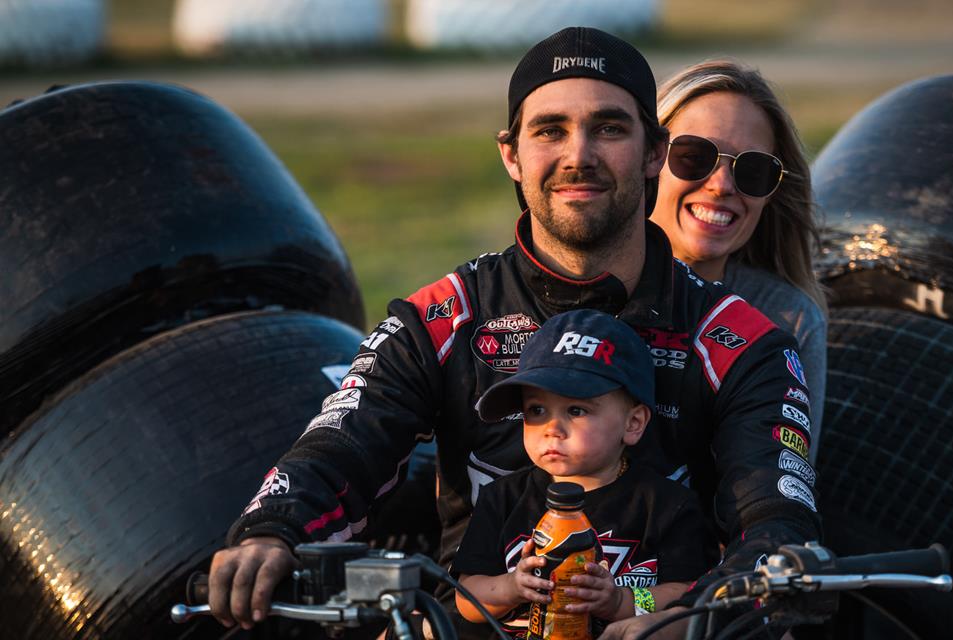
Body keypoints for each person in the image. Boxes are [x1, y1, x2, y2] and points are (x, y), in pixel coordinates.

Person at [207, 27, 821, 640]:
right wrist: (273, 528)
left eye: (609, 128)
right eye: (549, 130)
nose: (578, 155)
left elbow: (775, 523)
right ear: (511, 154)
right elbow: (341, 444)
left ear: (654, 152)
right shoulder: (440, 316)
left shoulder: (745, 340)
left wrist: (681, 621)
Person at [452, 309, 719, 638]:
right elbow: (466, 599)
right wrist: (512, 586)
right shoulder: (502, 497)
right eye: (536, 410)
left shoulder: (666, 505)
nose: (552, 428)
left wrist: (621, 600)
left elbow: (689, 594)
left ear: (633, 424)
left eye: (576, 410)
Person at [652, 60, 828, 461]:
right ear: (648, 160)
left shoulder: (789, 319)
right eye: (694, 156)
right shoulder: (575, 283)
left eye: (753, 170)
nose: (721, 186)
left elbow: (789, 478)